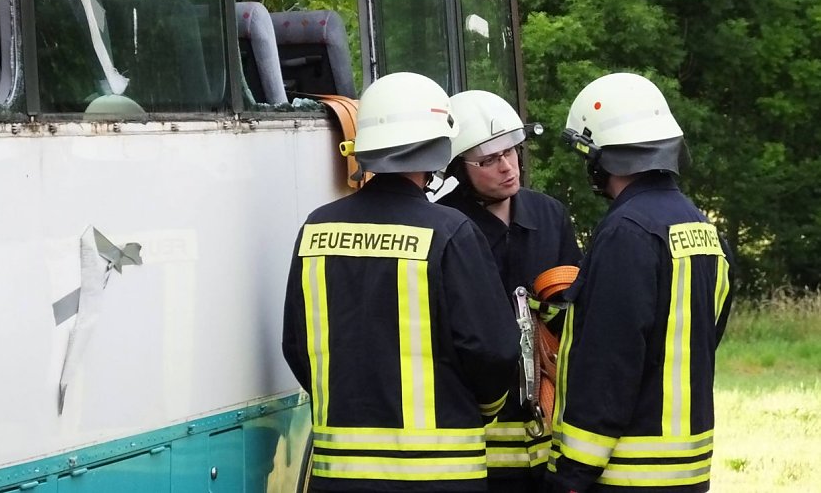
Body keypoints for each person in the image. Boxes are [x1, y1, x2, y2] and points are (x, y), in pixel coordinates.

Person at [282, 72, 520, 492]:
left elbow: (297, 347)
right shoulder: (452, 232)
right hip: (440, 476)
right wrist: (484, 408)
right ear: (439, 145)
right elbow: (493, 350)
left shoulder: (316, 229)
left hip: (340, 477)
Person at [545, 72, 734, 493]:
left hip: (624, 470)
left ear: (600, 158)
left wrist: (572, 473)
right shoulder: (703, 229)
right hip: (688, 468)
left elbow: (608, 363)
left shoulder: (625, 232)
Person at [438, 90, 582, 492]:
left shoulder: (549, 215)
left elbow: (574, 309)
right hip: (477, 426)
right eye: (488, 160)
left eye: (512, 152)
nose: (507, 167)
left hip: (547, 420)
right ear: (457, 170)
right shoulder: (446, 224)